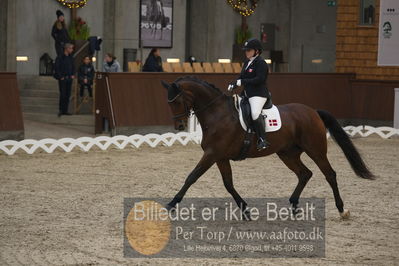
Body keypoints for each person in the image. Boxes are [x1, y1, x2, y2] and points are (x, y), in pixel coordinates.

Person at [228, 38, 270, 150]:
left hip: (258, 94)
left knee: (255, 113)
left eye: (249, 50)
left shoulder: (261, 63)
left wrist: (243, 82)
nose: (246, 52)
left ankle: (262, 139)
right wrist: (234, 84)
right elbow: (241, 77)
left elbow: (260, 79)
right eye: (246, 50)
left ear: (256, 51)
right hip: (246, 94)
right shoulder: (247, 62)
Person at [54, 43, 75, 117]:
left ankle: (65, 110)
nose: (72, 50)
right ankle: (61, 110)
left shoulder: (71, 57)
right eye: (71, 48)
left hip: (69, 78)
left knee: (67, 94)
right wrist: (60, 77)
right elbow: (57, 67)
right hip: (63, 78)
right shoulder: (60, 57)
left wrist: (73, 75)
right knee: (62, 94)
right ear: (67, 49)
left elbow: (73, 66)